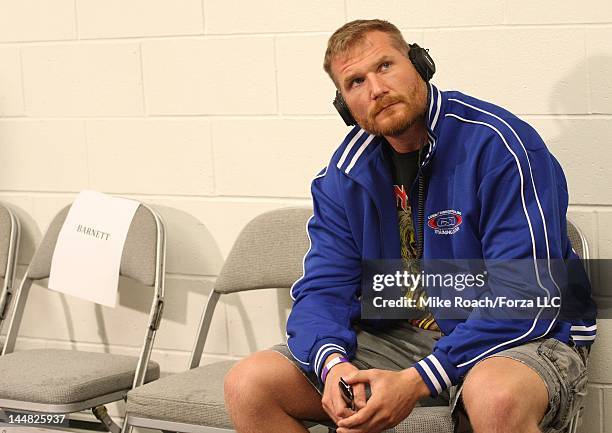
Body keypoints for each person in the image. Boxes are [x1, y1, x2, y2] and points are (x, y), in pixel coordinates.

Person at [224, 19, 597, 433]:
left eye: (385, 66)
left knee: (496, 398)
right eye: (355, 82)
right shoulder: (343, 176)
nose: (376, 89)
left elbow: (526, 295)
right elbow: (323, 290)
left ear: (419, 63)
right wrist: (332, 366)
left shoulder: (499, 146)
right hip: (400, 337)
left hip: (522, 336)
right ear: (344, 106)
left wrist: (419, 379)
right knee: (250, 385)